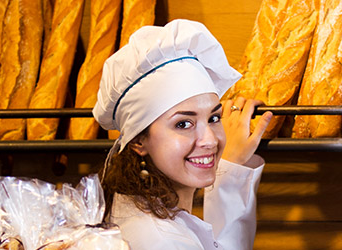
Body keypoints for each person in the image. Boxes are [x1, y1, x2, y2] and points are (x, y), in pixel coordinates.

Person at [94, 19, 273, 249]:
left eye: (213, 118)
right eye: (183, 124)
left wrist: (231, 169)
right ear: (139, 140)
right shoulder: (161, 240)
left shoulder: (137, 210)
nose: (209, 139)